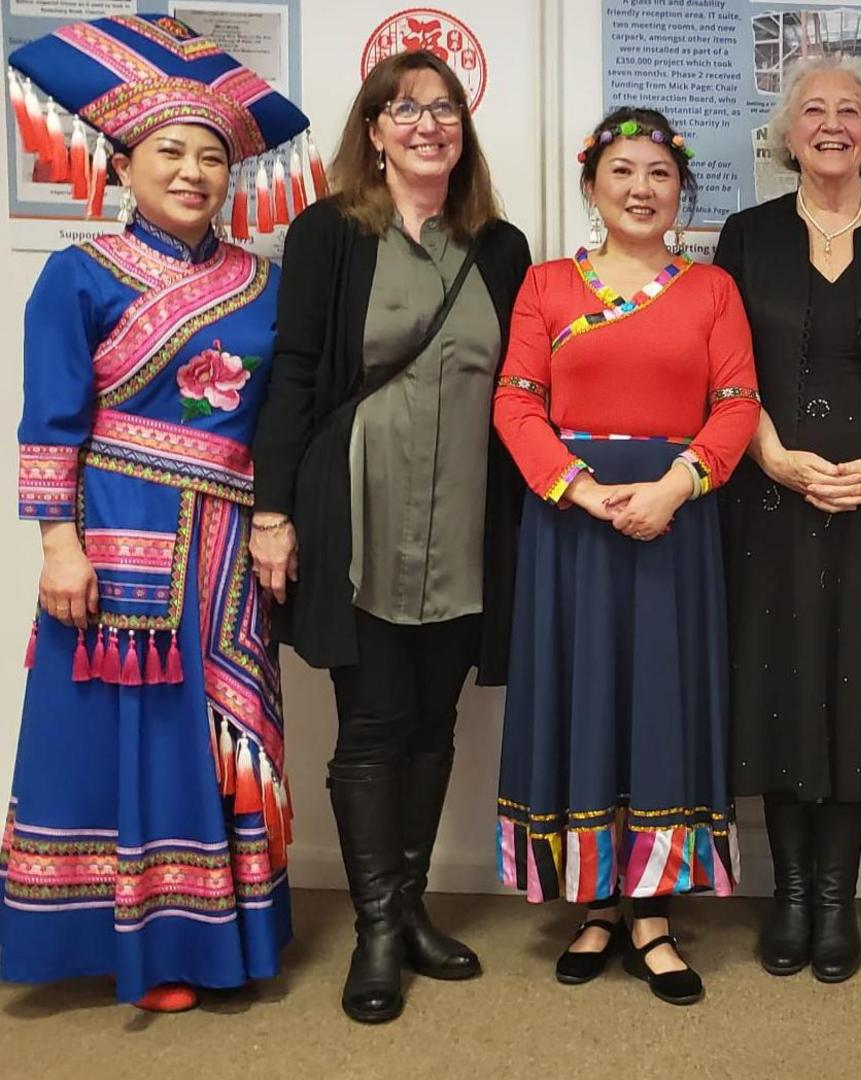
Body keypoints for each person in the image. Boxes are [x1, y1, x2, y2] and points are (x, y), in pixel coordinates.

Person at [1, 13, 310, 1013]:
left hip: (227, 550)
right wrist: (57, 544)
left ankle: (213, 942)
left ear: (234, 177)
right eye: (168, 153)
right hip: (113, 535)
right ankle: (129, 946)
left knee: (214, 732)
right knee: (122, 734)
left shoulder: (266, 286)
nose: (191, 172)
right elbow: (49, 420)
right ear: (122, 166)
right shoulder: (77, 274)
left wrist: (275, 515)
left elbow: (281, 421)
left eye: (210, 156)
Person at [249, 51, 531, 1023]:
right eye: (404, 108)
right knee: (371, 726)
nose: (426, 123)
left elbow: (523, 392)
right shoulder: (329, 234)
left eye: (443, 108)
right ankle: (375, 930)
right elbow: (293, 375)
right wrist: (272, 512)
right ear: (372, 130)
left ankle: (409, 910)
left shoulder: (500, 246)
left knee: (434, 723)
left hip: (467, 523)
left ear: (463, 129)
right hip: (356, 514)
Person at [493, 107, 758, 1006]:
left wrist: (674, 488)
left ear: (682, 192)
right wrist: (579, 488)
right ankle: (593, 902)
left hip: (673, 527)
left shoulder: (713, 291)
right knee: (584, 696)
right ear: (592, 186)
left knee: (660, 701)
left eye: (658, 174)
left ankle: (651, 911)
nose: (641, 189)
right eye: (622, 173)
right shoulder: (546, 285)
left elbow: (735, 405)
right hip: (573, 525)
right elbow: (515, 402)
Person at [714, 54, 861, 984]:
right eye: (813, 108)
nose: (833, 122)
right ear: (787, 132)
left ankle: (837, 903)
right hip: (768, 501)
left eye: (850, 108)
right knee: (779, 690)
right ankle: (791, 896)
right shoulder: (745, 235)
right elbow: (723, 369)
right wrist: (770, 453)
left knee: (859, 697)